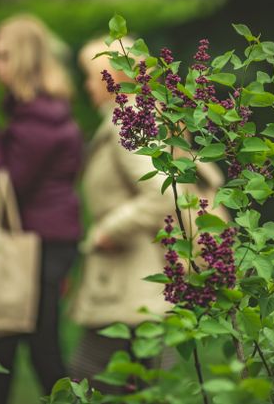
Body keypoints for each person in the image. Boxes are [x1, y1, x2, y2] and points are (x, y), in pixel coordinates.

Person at [68, 37, 225, 393]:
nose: (86, 85)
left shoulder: (130, 123)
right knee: (142, 379)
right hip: (135, 278)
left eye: (91, 76)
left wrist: (108, 230)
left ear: (114, 77)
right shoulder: (139, 116)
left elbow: (161, 195)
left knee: (94, 378)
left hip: (134, 275)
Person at [0, 14, 83, 404]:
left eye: (0, 56)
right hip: (40, 240)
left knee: (38, 347)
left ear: (22, 59)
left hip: (39, 245)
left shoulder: (38, 118)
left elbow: (7, 184)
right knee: (5, 344)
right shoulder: (39, 112)